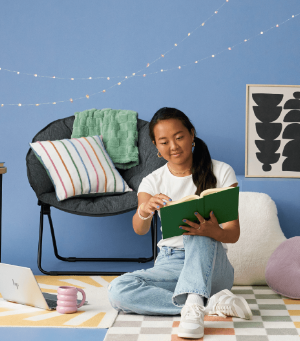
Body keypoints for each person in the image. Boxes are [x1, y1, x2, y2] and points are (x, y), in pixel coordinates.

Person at [107, 107, 252, 339]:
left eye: (179, 137)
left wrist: (214, 231)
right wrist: (144, 210)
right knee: (118, 290)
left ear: (192, 134)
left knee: (196, 226)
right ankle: (206, 305)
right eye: (164, 142)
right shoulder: (152, 181)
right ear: (156, 146)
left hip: (214, 265)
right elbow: (139, 229)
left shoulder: (222, 171)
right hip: (171, 263)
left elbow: (233, 234)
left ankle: (195, 305)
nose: (173, 146)